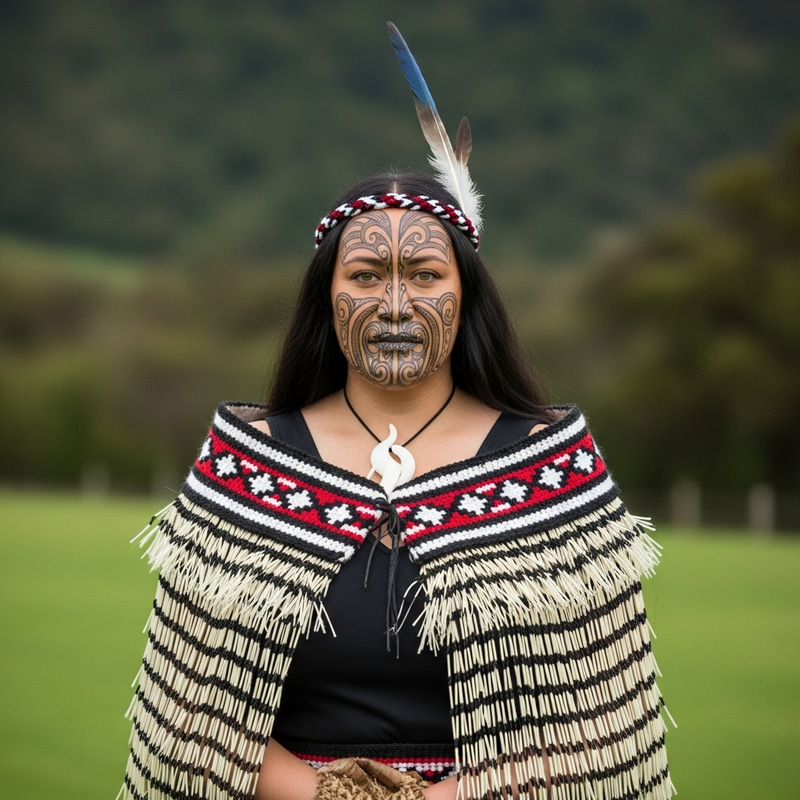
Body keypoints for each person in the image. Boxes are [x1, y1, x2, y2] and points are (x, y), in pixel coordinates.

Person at [121, 170, 674, 800]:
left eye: (425, 274)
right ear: (325, 296)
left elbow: (603, 719)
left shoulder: (550, 465)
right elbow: (187, 706)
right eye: (363, 275)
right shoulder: (249, 458)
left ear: (466, 293)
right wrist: (329, 796)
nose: (393, 303)